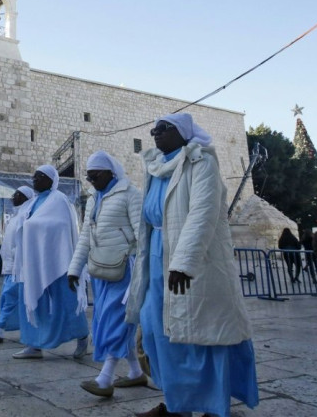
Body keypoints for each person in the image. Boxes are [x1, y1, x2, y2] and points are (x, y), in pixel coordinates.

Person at [126, 113, 258, 417]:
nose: (156, 133)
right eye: (153, 129)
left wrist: (184, 262)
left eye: (164, 129)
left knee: (199, 335)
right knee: (156, 329)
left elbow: (203, 213)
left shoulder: (202, 163)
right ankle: (177, 404)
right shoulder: (155, 167)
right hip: (157, 259)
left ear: (183, 132)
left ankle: (212, 406)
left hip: (193, 263)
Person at [67, 151, 145, 398]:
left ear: (111, 173)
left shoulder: (130, 195)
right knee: (108, 320)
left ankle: (105, 378)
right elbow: (86, 238)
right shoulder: (92, 199)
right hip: (101, 271)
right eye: (88, 176)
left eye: (95, 175)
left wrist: (142, 270)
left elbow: (142, 234)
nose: (91, 180)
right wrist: (74, 269)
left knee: (116, 321)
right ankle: (135, 372)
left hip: (124, 271)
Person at [12, 165, 89, 360]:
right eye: (34, 176)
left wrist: (36, 226)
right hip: (32, 262)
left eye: (39, 176)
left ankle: (81, 336)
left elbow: (61, 226)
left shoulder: (59, 200)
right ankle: (33, 345)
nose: (34, 179)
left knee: (66, 301)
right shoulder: (32, 203)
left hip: (57, 260)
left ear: (50, 180)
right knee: (32, 301)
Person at [0, 185, 34, 343]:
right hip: (10, 267)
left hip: (20, 267)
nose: (13, 197)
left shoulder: (27, 217)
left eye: (17, 194)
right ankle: (21, 329)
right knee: (11, 299)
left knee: (9, 297)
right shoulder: (18, 216)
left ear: (24, 197)